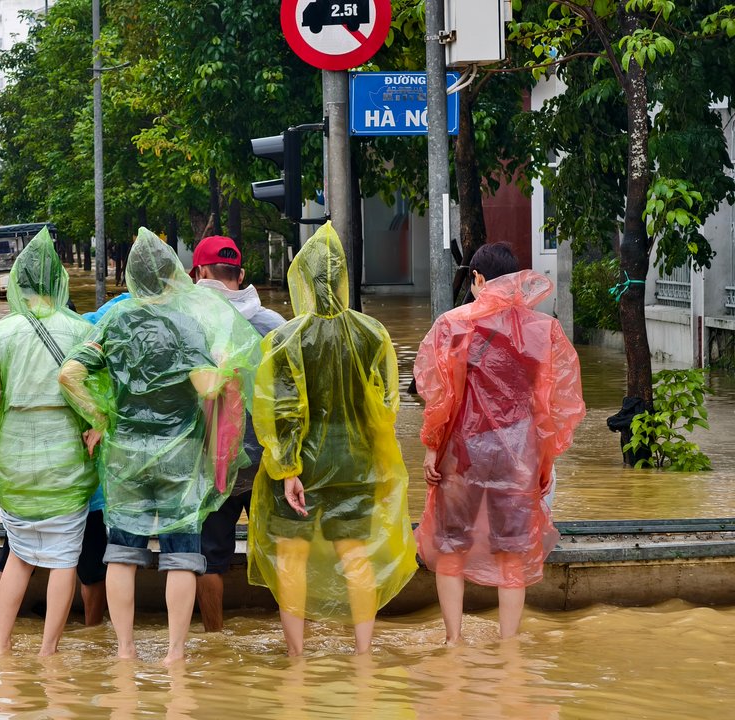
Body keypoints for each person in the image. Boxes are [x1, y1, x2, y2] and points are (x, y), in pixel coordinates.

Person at [59, 227, 261, 664]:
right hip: (181, 457)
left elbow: (68, 376)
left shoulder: (114, 319)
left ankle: (126, 650)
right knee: (182, 553)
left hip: (126, 454)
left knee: (122, 552)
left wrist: (101, 417)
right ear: (173, 276)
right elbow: (208, 388)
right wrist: (226, 365)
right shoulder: (187, 322)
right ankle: (174, 653)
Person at [246, 222, 416, 656]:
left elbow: (277, 409)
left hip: (299, 466)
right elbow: (388, 405)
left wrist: (287, 470)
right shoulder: (373, 333)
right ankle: (362, 653)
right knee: (357, 556)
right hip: (357, 462)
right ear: (343, 276)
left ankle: (298, 657)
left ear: (300, 276)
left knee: (292, 561)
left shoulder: (284, 339)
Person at [413, 242, 585, 643]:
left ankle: (453, 642)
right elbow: (551, 406)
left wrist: (432, 447)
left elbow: (442, 397)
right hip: (519, 450)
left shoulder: (453, 325)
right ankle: (509, 647)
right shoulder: (543, 330)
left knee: (452, 546)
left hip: (464, 450)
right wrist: (544, 462)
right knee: (512, 552)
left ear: (477, 278)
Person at [0, 227, 98, 657]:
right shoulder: (79, 329)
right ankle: (49, 650)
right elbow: (95, 392)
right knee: (65, 559)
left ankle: (1, 646)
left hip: (15, 461)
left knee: (20, 555)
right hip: (66, 460)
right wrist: (99, 423)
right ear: (59, 280)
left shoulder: (2, 334)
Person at [188, 235, 285, 632]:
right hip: (270, 458)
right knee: (283, 551)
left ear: (200, 274)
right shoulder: (274, 324)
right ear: (241, 275)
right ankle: (293, 641)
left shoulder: (192, 324)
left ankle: (214, 638)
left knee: (210, 558)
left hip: (215, 461)